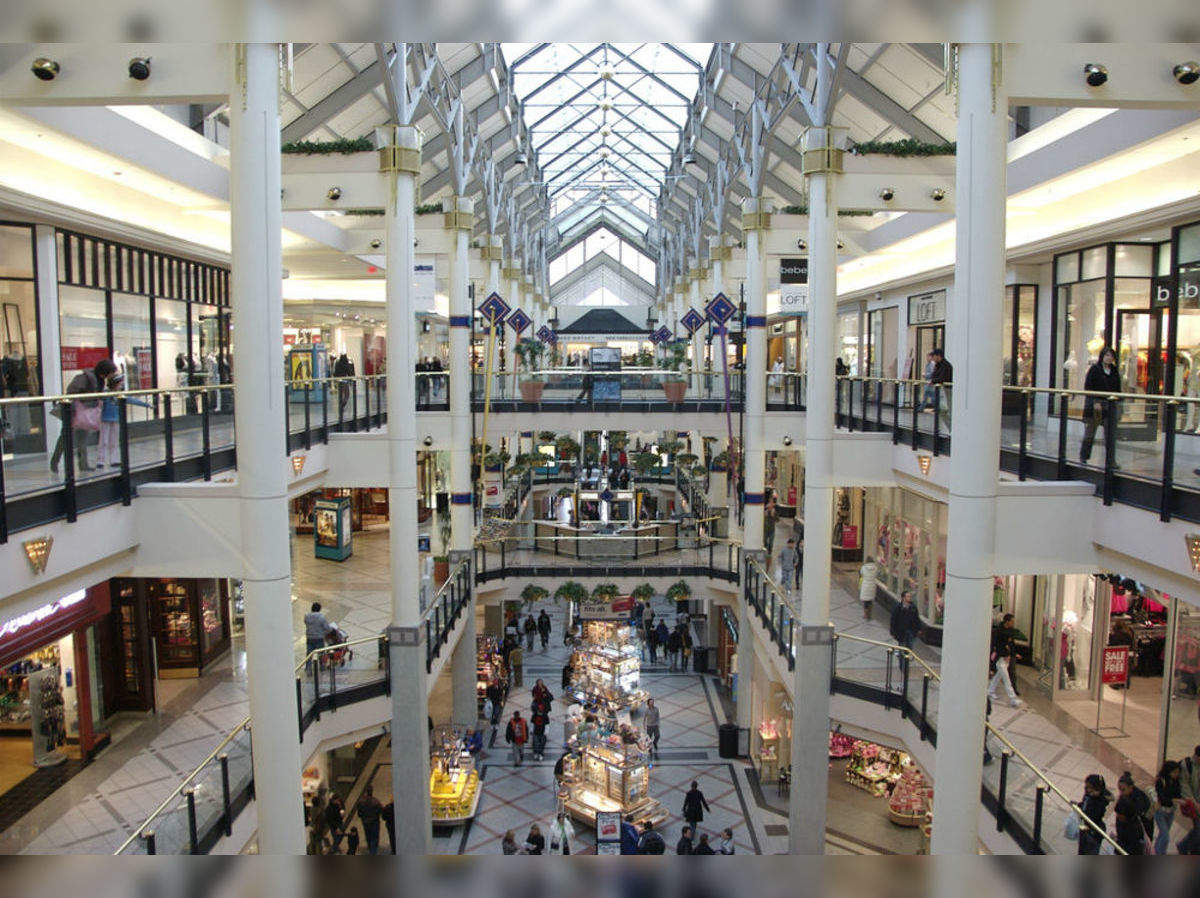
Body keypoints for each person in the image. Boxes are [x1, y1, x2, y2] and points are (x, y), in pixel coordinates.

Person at [50, 357, 117, 475]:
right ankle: (55, 461)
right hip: (74, 412)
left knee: (82, 439)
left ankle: (83, 464)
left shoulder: (100, 380)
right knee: (65, 437)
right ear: (105, 371)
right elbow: (71, 391)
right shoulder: (85, 378)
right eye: (111, 372)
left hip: (87, 413)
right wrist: (84, 400)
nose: (112, 375)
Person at [98, 373, 151, 467]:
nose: (121, 385)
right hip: (105, 419)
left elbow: (133, 400)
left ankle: (113, 460)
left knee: (114, 440)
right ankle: (101, 461)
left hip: (116, 419)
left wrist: (146, 405)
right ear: (115, 384)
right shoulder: (105, 394)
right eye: (120, 383)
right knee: (104, 440)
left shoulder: (120, 395)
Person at [1079, 347, 1121, 466]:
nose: (1109, 358)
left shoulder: (1114, 371)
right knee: (1090, 431)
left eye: (1111, 356)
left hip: (1110, 405)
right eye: (1107, 355)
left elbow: (1118, 389)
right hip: (1096, 405)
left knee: (1110, 435)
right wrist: (1095, 402)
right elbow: (1088, 387)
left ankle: (1111, 461)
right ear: (1102, 356)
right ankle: (1084, 456)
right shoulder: (1095, 369)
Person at [987, 613, 1024, 708]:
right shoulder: (999, 632)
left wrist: (1013, 654)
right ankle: (1013, 698)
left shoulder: (1010, 632)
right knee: (1006, 679)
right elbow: (997, 646)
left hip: (1006, 658)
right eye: (1012, 621)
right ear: (1007, 622)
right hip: (1000, 659)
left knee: (998, 676)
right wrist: (1005, 654)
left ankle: (990, 691)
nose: (1013, 623)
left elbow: (1011, 645)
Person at [1114, 771, 1151, 855]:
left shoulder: (1136, 800)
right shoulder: (1125, 798)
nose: (1120, 792)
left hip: (1131, 840)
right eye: (1119, 789)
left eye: (1123, 789)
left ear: (1131, 787)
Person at [1076, 774, 1112, 855]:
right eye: (1086, 787)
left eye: (1090, 788)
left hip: (1094, 832)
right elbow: (1084, 804)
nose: (1088, 790)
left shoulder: (1100, 801)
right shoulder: (1088, 795)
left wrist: (1095, 798)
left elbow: (1095, 813)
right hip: (1085, 828)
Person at [1154, 760, 1182, 854]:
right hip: (1160, 812)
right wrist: (1174, 800)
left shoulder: (1175, 781)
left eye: (1178, 772)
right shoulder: (1160, 781)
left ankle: (1157, 851)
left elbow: (1178, 794)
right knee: (1165, 836)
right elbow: (1162, 798)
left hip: (1171, 812)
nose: (1177, 774)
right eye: (1174, 772)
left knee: (1163, 835)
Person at [304, 603, 335, 671]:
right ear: (319, 609)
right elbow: (327, 628)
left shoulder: (306, 616)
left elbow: (306, 623)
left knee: (309, 653)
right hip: (319, 638)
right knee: (321, 653)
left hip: (309, 637)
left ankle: (308, 668)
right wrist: (331, 629)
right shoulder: (321, 617)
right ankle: (322, 667)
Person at [928, 348, 953, 433]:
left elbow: (942, 378)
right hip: (943, 391)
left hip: (948, 390)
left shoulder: (946, 365)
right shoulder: (938, 365)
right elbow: (934, 376)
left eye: (933, 356)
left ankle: (953, 429)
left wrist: (933, 381)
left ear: (938, 356)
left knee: (946, 410)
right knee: (943, 411)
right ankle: (951, 429)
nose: (932, 358)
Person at [356, 785, 383, 855]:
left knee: (368, 835)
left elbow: (359, 813)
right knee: (374, 838)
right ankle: (373, 851)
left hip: (365, 822)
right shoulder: (376, 801)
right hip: (374, 822)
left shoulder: (361, 802)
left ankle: (370, 847)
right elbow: (381, 811)